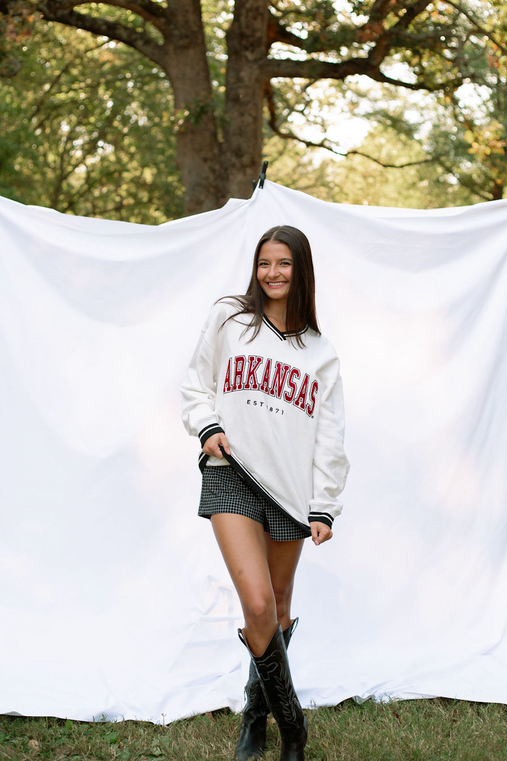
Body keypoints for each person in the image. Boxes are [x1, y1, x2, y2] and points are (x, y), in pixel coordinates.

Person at [180, 225, 349, 761]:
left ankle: (256, 717)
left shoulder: (319, 352)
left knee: (276, 606)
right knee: (254, 601)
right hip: (229, 471)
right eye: (264, 263)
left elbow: (330, 434)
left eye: (284, 264)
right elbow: (194, 383)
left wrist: (324, 503)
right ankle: (293, 726)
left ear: (302, 271)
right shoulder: (230, 318)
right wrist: (207, 426)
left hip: (290, 490)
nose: (272, 274)